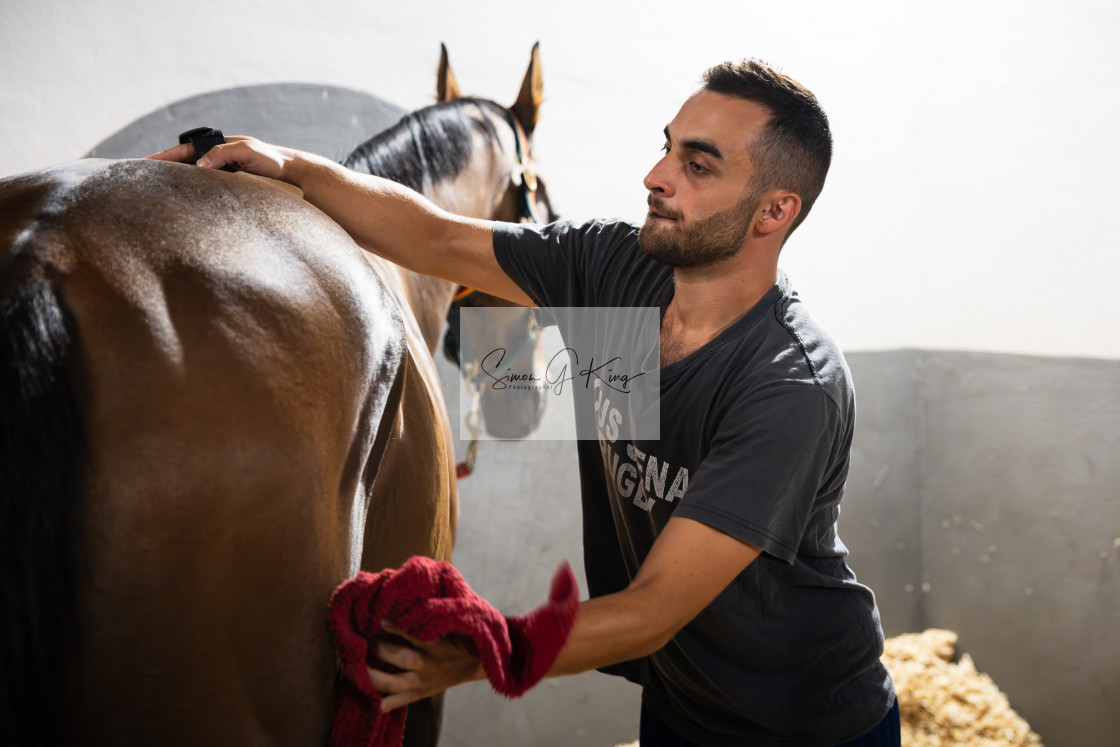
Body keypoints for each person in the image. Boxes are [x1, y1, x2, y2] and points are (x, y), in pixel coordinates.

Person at [151, 58, 899, 746]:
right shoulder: (617, 270)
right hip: (680, 707)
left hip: (807, 724)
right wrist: (287, 165)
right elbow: (437, 239)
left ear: (773, 212)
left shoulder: (788, 385)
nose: (655, 177)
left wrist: (480, 649)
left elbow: (652, 609)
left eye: (696, 165)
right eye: (667, 148)